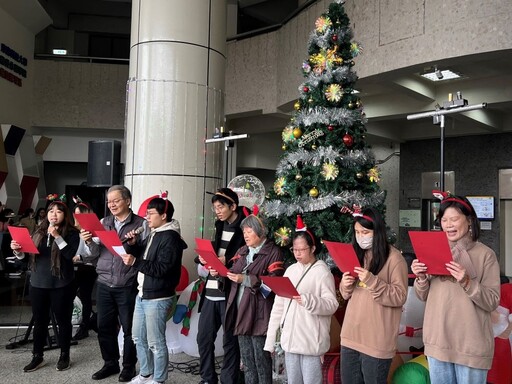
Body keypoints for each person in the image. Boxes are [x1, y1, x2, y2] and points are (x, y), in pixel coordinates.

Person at [411, 193, 501, 384]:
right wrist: (421, 278)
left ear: (469, 221)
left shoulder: (486, 255)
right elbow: (423, 296)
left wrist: (467, 281)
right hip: (438, 342)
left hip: (470, 346)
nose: (448, 224)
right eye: (444, 220)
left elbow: (492, 301)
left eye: (454, 219)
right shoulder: (432, 251)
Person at [80, 185, 149, 382]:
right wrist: (89, 242)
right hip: (103, 282)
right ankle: (110, 363)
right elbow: (93, 254)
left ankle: (128, 366)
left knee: (129, 329)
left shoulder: (141, 225)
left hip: (126, 284)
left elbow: (145, 255)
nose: (111, 205)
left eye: (116, 200)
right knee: (104, 326)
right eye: (109, 201)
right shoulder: (103, 222)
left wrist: (135, 245)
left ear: (127, 201)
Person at [120, 196, 187, 384]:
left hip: (158, 297)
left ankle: (159, 379)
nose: (146, 218)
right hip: (143, 294)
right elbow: (146, 255)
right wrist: (133, 244)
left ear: (164, 215)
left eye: (150, 214)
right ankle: (146, 373)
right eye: (146, 214)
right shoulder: (155, 232)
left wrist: (135, 262)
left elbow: (162, 269)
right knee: (137, 337)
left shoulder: (171, 237)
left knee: (155, 343)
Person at [264, 215, 339, 384]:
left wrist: (308, 300)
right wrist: (270, 342)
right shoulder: (290, 270)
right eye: (294, 250)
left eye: (301, 250)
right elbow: (278, 307)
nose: (297, 253)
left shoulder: (322, 272)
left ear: (312, 248)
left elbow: (331, 305)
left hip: (311, 342)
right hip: (290, 341)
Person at [339, 207, 408, 384]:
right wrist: (345, 285)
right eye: (357, 232)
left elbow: (399, 296)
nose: (360, 236)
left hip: (377, 341)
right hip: (350, 336)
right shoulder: (356, 254)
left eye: (365, 232)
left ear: (377, 231)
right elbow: (346, 295)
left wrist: (372, 281)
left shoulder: (394, 258)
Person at [11, 197, 80, 372]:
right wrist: (18, 252)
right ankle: (37, 356)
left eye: (58, 211)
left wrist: (57, 236)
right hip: (38, 283)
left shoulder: (72, 234)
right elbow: (26, 258)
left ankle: (65, 354)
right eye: (51, 211)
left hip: (61, 284)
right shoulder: (38, 232)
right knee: (40, 321)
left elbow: (69, 255)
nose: (54, 214)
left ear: (65, 215)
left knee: (63, 321)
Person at [221, 208, 284, 384]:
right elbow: (231, 273)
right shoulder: (242, 251)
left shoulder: (274, 252)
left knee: (261, 362)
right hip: (240, 311)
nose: (246, 235)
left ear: (261, 231)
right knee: (247, 362)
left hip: (259, 314)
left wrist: (246, 279)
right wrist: (219, 272)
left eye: (249, 231)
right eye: (244, 231)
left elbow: (272, 285)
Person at [195, 188, 248, 384]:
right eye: (214, 207)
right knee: (204, 338)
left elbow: (244, 258)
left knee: (230, 342)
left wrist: (224, 261)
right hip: (211, 290)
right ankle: (207, 378)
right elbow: (216, 251)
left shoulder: (245, 228)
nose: (217, 211)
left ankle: (229, 380)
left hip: (230, 292)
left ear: (233, 206)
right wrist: (204, 258)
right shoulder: (219, 225)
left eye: (220, 207)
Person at [71, 200, 98, 341]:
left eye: (80, 214)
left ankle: (84, 326)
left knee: (85, 296)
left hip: (87, 266)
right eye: (75, 214)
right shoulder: (72, 229)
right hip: (73, 266)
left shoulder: (92, 229)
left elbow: (95, 251)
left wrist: (80, 256)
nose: (77, 217)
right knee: (70, 295)